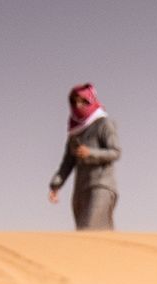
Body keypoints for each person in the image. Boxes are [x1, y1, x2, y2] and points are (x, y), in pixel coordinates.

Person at [49, 83, 121, 230]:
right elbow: (67, 163)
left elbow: (115, 152)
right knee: (85, 232)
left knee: (90, 227)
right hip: (80, 191)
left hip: (101, 186)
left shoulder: (104, 123)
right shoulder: (74, 133)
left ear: (91, 100)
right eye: (74, 102)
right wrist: (55, 185)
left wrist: (91, 153)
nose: (78, 105)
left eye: (83, 101)